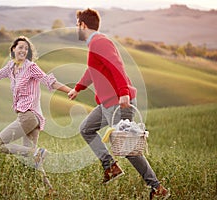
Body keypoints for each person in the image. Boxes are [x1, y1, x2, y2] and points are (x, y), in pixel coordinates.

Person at [68, 8, 170, 199]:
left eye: (77, 26)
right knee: (86, 129)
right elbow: (93, 71)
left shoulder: (100, 41)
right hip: (107, 103)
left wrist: (123, 92)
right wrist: (78, 88)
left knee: (129, 149)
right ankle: (110, 166)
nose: (76, 29)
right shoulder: (94, 45)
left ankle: (157, 188)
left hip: (118, 101)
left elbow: (116, 66)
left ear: (83, 25)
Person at [0, 36, 72, 169]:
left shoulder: (31, 67)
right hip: (32, 118)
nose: (23, 50)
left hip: (29, 116)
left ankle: (37, 152)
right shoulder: (10, 67)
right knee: (31, 163)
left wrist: (70, 90)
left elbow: (49, 81)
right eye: (20, 47)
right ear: (13, 49)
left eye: (26, 48)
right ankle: (48, 188)